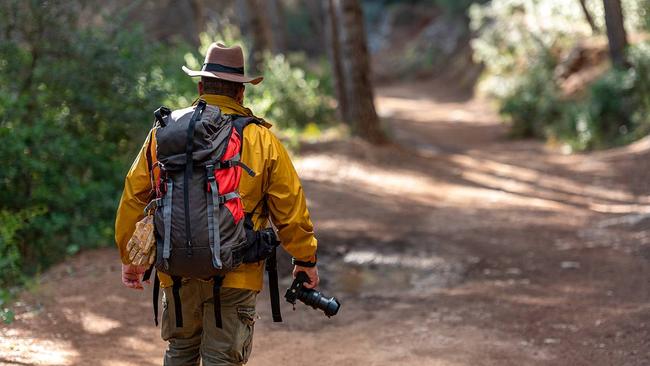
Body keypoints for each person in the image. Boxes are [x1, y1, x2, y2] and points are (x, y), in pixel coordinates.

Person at [114, 42, 319, 366]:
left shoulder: (165, 132)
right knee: (222, 360)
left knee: (180, 353)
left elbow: (133, 193)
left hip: (176, 267)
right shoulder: (261, 139)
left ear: (200, 87)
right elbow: (290, 208)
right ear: (241, 93)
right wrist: (305, 259)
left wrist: (131, 255)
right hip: (236, 271)